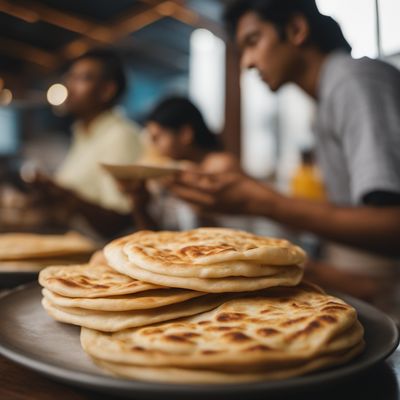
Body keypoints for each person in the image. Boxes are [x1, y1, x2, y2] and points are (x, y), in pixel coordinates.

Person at [170, 0, 400, 259]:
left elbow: (393, 226)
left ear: (295, 29)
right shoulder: (327, 98)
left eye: (253, 41)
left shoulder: (354, 82)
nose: (246, 63)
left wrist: (260, 202)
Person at [32, 49, 142, 238]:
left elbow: (121, 220)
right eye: (70, 77)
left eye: (82, 79)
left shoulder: (120, 136)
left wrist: (65, 195)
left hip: (100, 255)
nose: (70, 87)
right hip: (74, 244)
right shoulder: (84, 134)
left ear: (107, 91)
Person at [118, 96, 240, 230]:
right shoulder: (169, 170)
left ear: (185, 134)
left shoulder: (220, 165)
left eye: (157, 138)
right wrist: (139, 203)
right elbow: (156, 235)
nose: (152, 145)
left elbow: (231, 232)